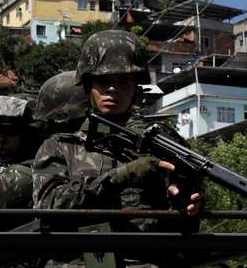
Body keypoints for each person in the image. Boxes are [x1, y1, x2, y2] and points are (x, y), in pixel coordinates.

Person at [32, 30, 203, 266]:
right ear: (88, 85)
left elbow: (191, 207)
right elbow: (48, 206)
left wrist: (189, 196)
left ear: (135, 89)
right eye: (104, 81)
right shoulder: (61, 146)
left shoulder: (162, 143)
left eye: (123, 82)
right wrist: (122, 176)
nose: (113, 89)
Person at [0, 95, 42, 211]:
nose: (0, 140)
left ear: (28, 135)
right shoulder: (44, 163)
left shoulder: (16, 177)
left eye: (10, 132)